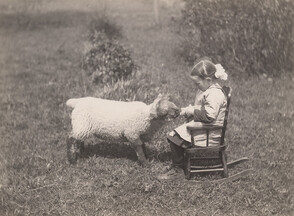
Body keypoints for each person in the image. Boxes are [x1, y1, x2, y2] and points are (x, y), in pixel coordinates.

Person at [157, 57, 228, 180]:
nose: (196, 86)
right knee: (175, 134)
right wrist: (186, 110)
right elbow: (202, 108)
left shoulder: (215, 94)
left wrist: (192, 111)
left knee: (173, 137)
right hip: (205, 127)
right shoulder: (209, 90)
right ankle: (178, 164)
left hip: (209, 132)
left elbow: (209, 116)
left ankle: (178, 169)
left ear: (208, 80)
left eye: (197, 83)